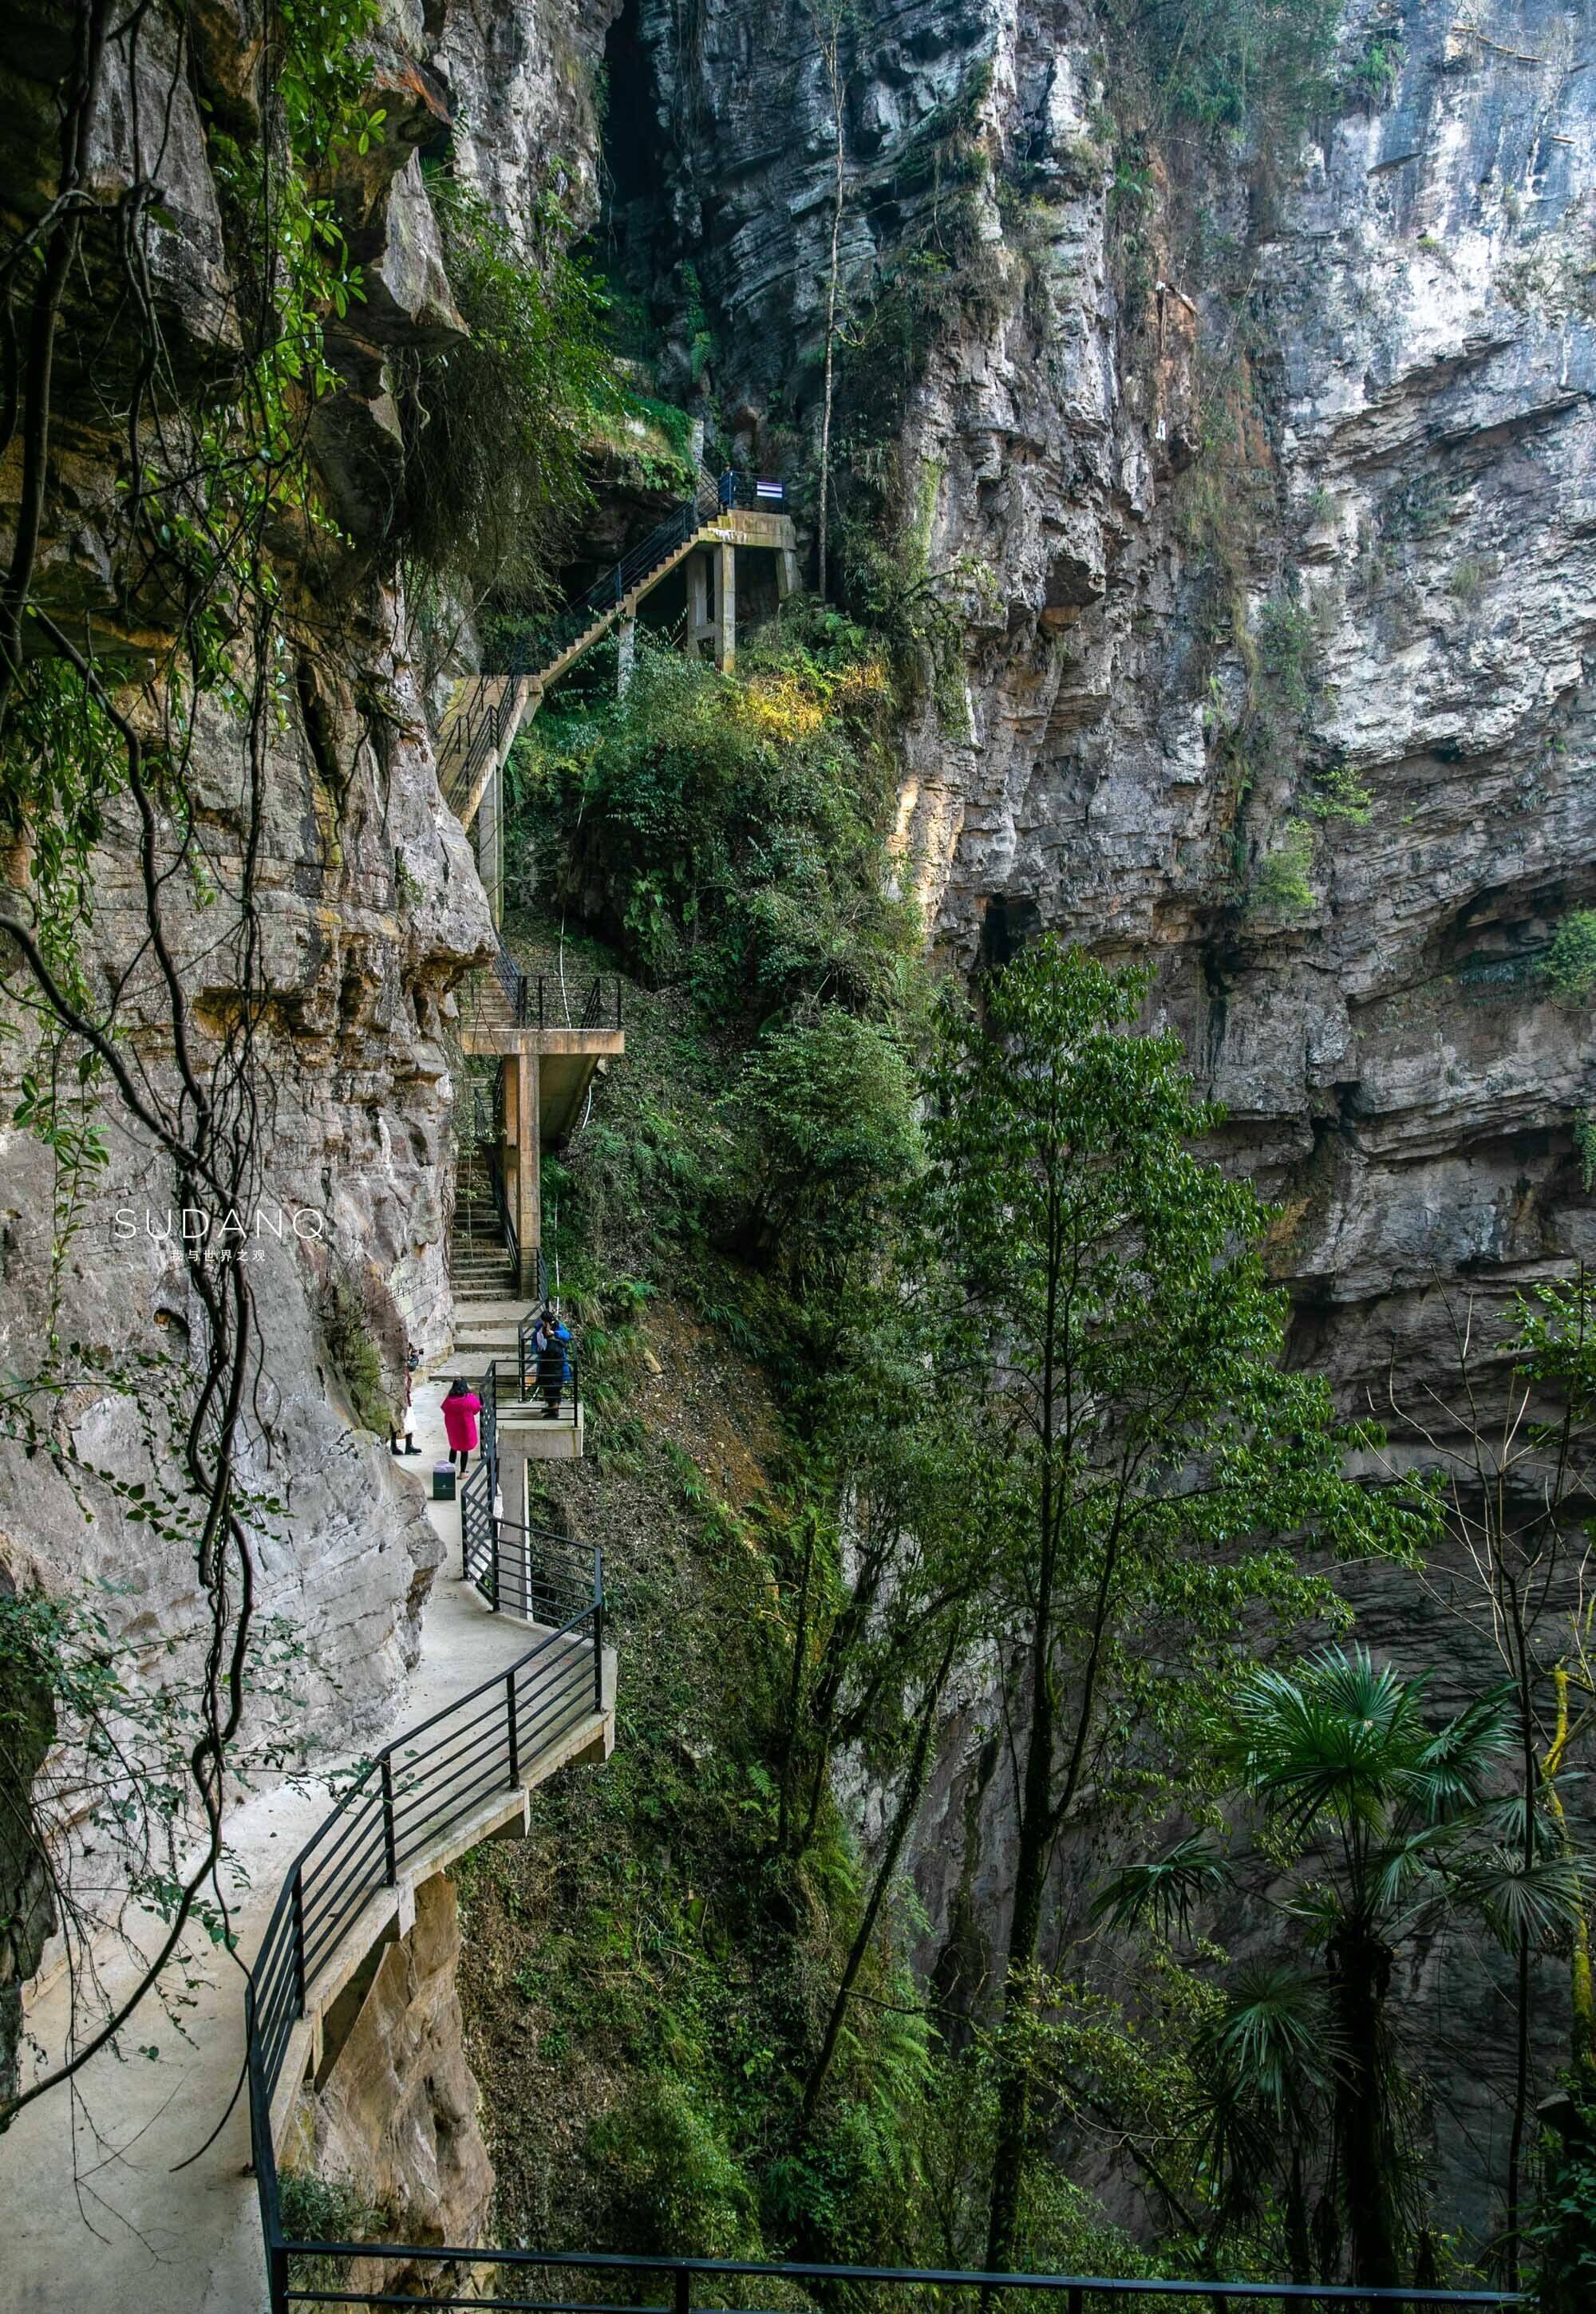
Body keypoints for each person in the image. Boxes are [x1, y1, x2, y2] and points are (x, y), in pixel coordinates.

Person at [534, 1309, 571, 1420]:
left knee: (554, 1385)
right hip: (545, 1361)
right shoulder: (539, 1329)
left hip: (556, 1363)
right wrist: (538, 1349)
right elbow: (535, 1344)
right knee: (546, 1384)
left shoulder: (557, 1327)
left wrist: (555, 1333)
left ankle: (554, 1410)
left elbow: (566, 1335)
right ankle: (550, 1406)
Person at [440, 1375, 482, 1474]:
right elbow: (476, 1409)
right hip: (465, 1427)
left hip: (453, 1427)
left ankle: (449, 1472)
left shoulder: (449, 1399)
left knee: (454, 1447)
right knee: (464, 1450)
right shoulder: (469, 1399)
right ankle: (462, 1472)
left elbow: (444, 1408)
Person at [389, 1344, 421, 1457]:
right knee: (398, 1419)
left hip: (401, 1394)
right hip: (399, 1395)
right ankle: (396, 1446)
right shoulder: (400, 1362)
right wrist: (416, 1358)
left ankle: (408, 1445)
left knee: (407, 1419)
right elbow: (411, 1367)